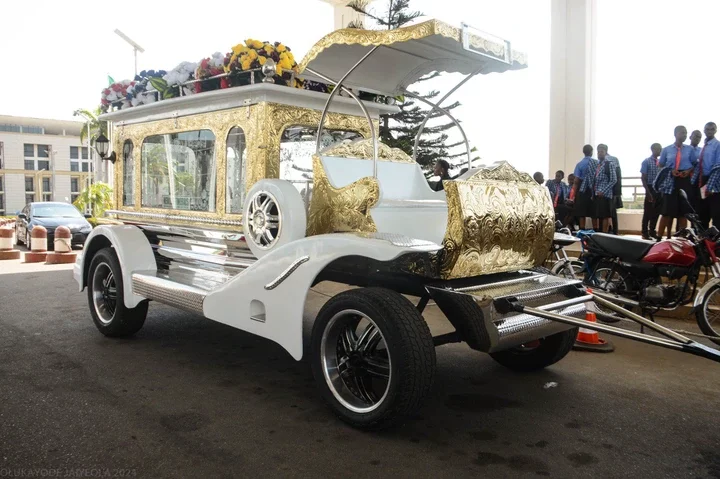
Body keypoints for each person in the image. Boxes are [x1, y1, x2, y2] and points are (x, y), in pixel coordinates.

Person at [656, 125, 698, 239]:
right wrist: (670, 171)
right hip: (671, 181)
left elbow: (695, 164)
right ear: (675, 134)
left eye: (685, 133)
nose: (684, 135)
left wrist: (688, 171)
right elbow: (660, 165)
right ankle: (659, 237)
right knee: (666, 211)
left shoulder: (690, 149)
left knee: (683, 211)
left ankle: (682, 238)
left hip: (684, 180)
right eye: (682, 132)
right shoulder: (666, 149)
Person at [690, 122, 719, 229]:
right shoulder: (704, 147)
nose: (710, 131)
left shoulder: (717, 145)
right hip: (702, 182)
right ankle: (703, 242)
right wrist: (692, 182)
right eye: (707, 129)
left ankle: (716, 243)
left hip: (714, 183)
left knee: (716, 214)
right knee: (702, 214)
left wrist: (710, 186)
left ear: (715, 130)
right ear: (704, 130)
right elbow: (700, 166)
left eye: (712, 129)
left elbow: (717, 167)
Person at [590, 144, 617, 233]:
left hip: (605, 195)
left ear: (605, 152)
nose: (599, 153)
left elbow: (613, 179)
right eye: (598, 152)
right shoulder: (598, 165)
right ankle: (598, 233)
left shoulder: (609, 164)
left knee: (605, 215)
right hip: (596, 194)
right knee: (597, 215)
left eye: (601, 152)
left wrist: (603, 191)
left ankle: (605, 234)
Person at [640, 143, 662, 240]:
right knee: (648, 212)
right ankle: (644, 232)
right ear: (652, 149)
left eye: (660, 149)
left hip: (659, 189)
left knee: (656, 212)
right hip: (650, 188)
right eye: (658, 149)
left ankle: (652, 231)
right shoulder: (646, 161)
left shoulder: (661, 162)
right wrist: (648, 192)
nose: (660, 151)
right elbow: (643, 178)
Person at [571, 145, 595, 230]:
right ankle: (596, 231)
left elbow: (576, 181)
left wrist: (572, 195)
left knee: (582, 212)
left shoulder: (579, 164)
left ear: (583, 152)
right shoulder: (596, 162)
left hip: (582, 189)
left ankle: (582, 230)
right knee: (594, 212)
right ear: (592, 151)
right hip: (593, 188)